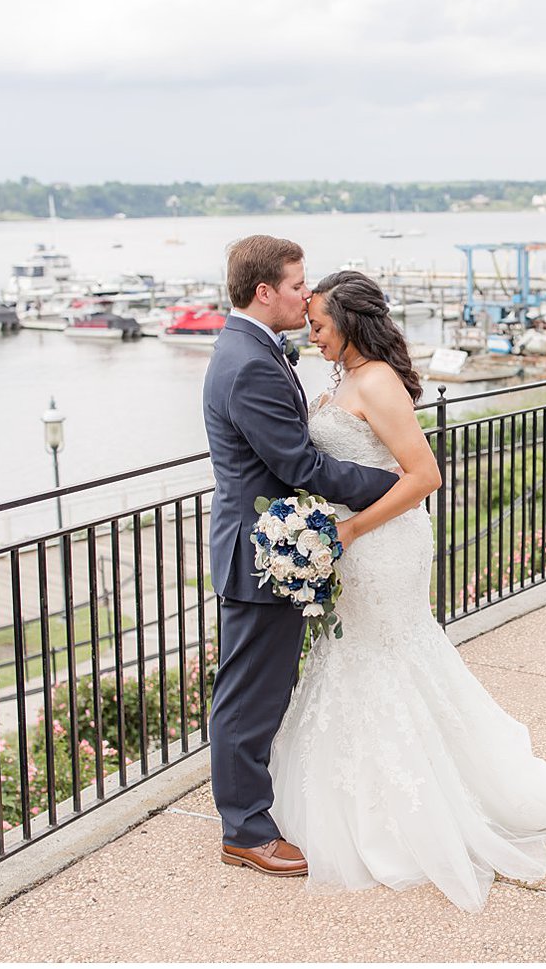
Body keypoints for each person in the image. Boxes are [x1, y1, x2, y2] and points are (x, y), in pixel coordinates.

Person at [268, 270, 546, 912]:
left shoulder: (379, 382)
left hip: (386, 543)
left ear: (348, 323)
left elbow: (426, 475)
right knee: (354, 653)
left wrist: (349, 531)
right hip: (355, 543)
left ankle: (422, 810)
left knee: (389, 653)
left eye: (318, 325)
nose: (311, 335)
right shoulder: (344, 378)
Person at [203, 237, 399, 877]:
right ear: (265, 291)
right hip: (259, 554)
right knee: (248, 696)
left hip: (270, 545)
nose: (304, 295)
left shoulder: (252, 348)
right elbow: (296, 463)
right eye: (296, 285)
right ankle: (245, 831)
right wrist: (387, 485)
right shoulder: (250, 361)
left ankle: (253, 815)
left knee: (263, 688)